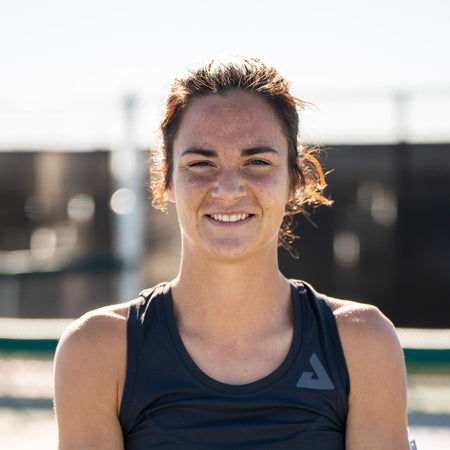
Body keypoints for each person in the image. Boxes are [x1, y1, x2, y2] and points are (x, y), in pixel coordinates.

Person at [54, 57, 410, 449]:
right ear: (166, 180)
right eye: (201, 163)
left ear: (294, 178)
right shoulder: (96, 349)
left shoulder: (362, 343)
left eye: (257, 161)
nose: (227, 189)